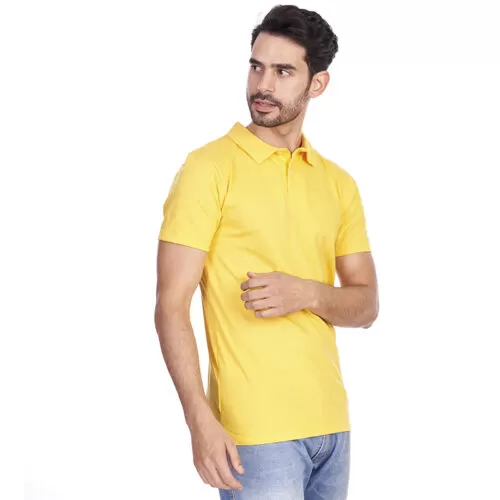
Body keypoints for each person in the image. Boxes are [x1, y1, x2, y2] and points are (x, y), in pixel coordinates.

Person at [154, 5, 379, 499]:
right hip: (254, 432)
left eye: (283, 71)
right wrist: (199, 420)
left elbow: (366, 306)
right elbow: (170, 306)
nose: (263, 85)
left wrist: (307, 293)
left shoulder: (338, 183)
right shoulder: (208, 168)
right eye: (256, 66)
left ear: (317, 84)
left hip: (332, 427)